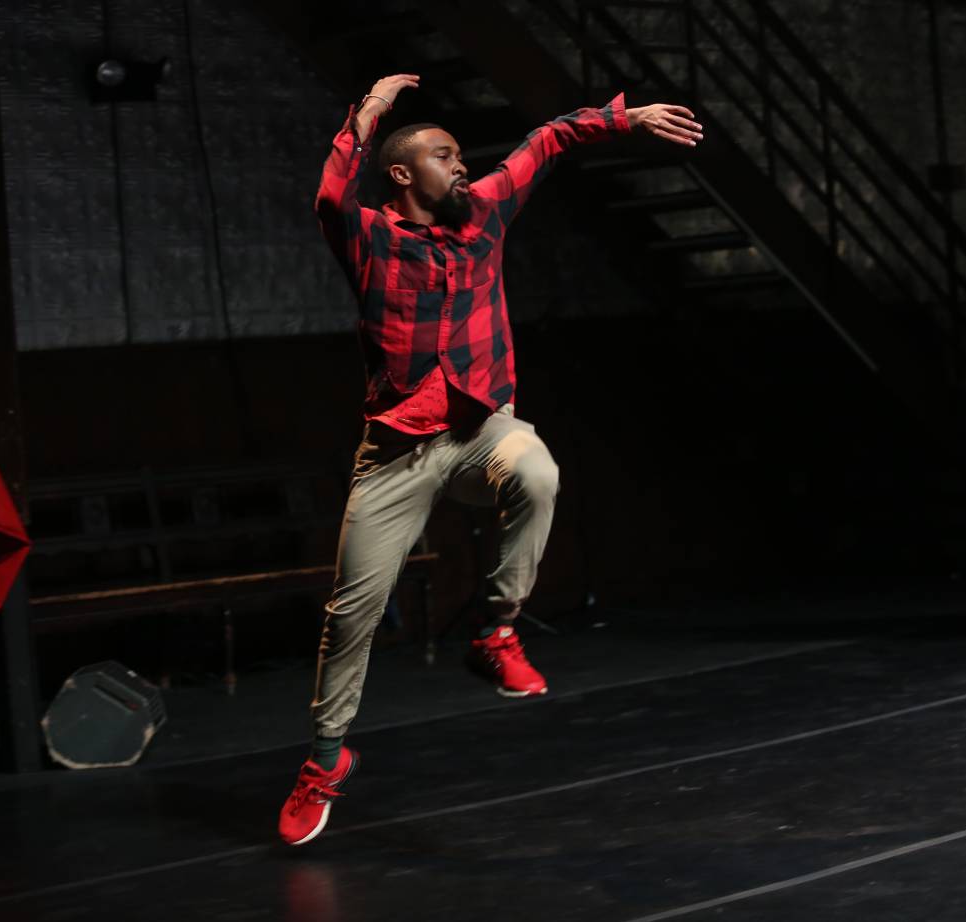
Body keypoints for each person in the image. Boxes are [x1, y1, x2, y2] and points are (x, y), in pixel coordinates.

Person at [279, 73, 702, 845]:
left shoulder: (486, 214)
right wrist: (372, 110)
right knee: (350, 619)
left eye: (462, 156)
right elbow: (331, 189)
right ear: (403, 174)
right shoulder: (368, 235)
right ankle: (326, 761)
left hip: (480, 430)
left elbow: (549, 138)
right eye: (445, 156)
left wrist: (624, 117)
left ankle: (496, 629)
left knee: (538, 470)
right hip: (397, 454)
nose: (463, 166)